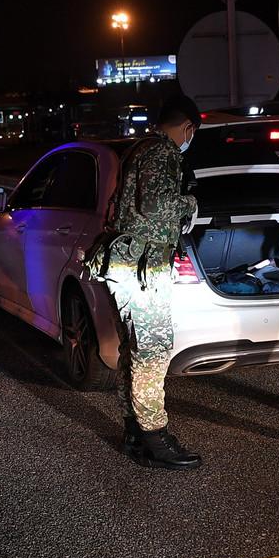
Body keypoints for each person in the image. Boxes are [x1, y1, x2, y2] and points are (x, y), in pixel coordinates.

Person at [98, 93, 201, 470]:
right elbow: (156, 208)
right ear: (188, 128)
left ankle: (135, 432)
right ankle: (155, 436)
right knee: (153, 350)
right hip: (142, 269)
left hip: (126, 263)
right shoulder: (161, 153)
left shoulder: (138, 148)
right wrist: (189, 205)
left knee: (134, 348)